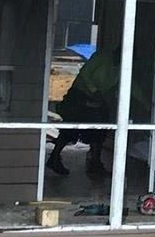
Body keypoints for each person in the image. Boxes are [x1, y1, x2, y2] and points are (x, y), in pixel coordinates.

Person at [47, 47, 124, 177]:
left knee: (100, 127)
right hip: (80, 95)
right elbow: (86, 73)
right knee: (71, 128)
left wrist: (145, 103)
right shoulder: (101, 57)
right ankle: (54, 158)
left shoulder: (122, 68)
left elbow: (126, 86)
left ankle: (95, 163)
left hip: (97, 99)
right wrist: (95, 92)